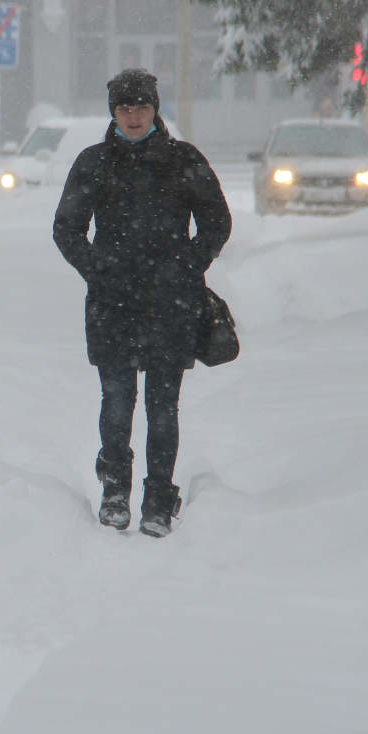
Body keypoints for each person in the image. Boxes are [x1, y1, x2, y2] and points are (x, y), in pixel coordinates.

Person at [52, 69, 232, 537]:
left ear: (155, 109)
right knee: (117, 400)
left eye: (141, 107)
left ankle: (157, 499)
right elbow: (66, 228)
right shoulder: (94, 162)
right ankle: (115, 491)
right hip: (113, 304)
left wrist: (188, 266)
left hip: (171, 304)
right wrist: (98, 271)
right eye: (124, 108)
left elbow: (217, 221)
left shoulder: (182, 160)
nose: (133, 117)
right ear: (112, 112)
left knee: (162, 405)